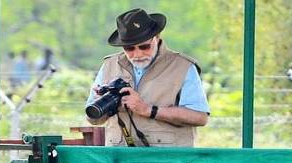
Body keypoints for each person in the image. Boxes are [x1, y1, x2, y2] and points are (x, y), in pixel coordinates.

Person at [86, 8, 209, 147]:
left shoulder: (183, 66)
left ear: (157, 37)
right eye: (129, 49)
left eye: (144, 47)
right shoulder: (109, 65)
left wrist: (147, 110)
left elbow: (200, 117)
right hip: (119, 161)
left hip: (167, 162)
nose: (137, 54)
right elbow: (92, 118)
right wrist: (102, 104)